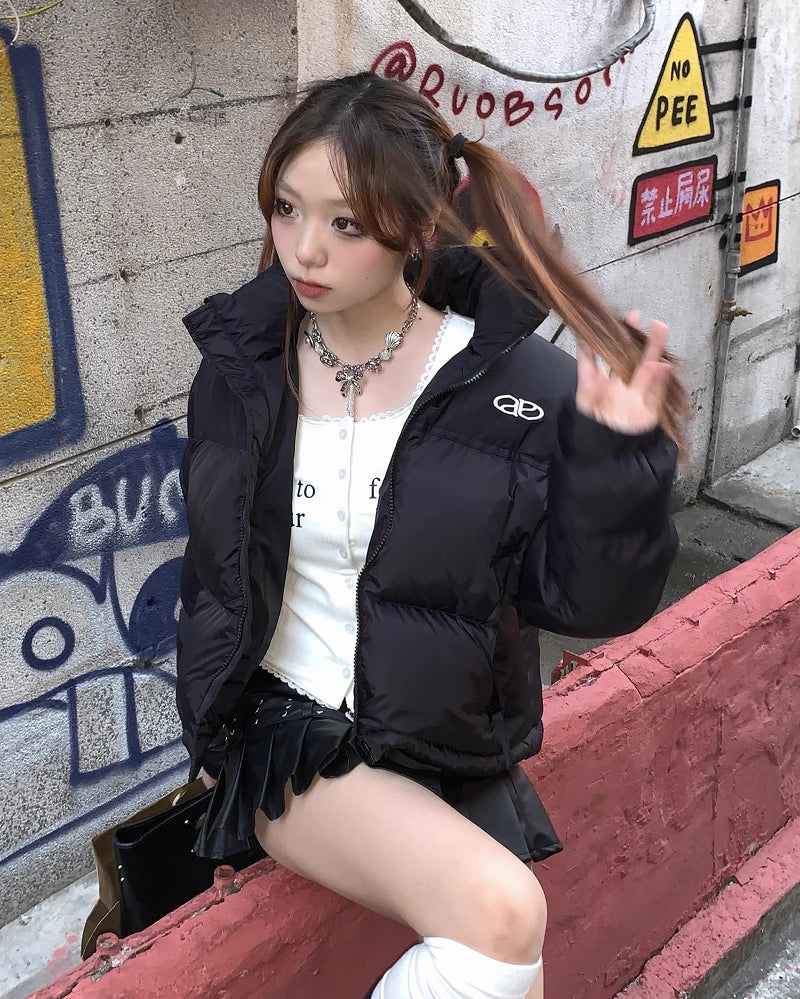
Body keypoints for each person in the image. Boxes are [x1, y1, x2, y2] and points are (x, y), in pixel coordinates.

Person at [176, 72, 686, 999]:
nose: (303, 248)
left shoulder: (513, 384)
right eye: (287, 208)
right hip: (283, 730)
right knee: (504, 914)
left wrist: (613, 464)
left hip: (432, 735)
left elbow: (582, 602)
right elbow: (212, 580)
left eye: (346, 223)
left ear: (416, 229)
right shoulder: (242, 373)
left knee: (506, 945)